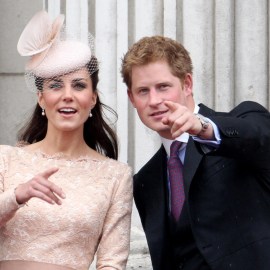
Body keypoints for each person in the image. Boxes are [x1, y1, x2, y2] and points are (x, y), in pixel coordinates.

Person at [120, 35, 270, 270]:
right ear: (131, 98)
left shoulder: (240, 123)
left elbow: (259, 135)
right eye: (142, 91)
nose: (154, 100)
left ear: (187, 84)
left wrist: (203, 128)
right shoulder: (145, 181)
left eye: (163, 87)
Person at [0, 10, 133, 270]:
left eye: (79, 85)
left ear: (92, 98)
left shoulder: (116, 175)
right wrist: (16, 196)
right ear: (41, 98)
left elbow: (112, 263)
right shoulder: (5, 158)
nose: (67, 95)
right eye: (55, 85)